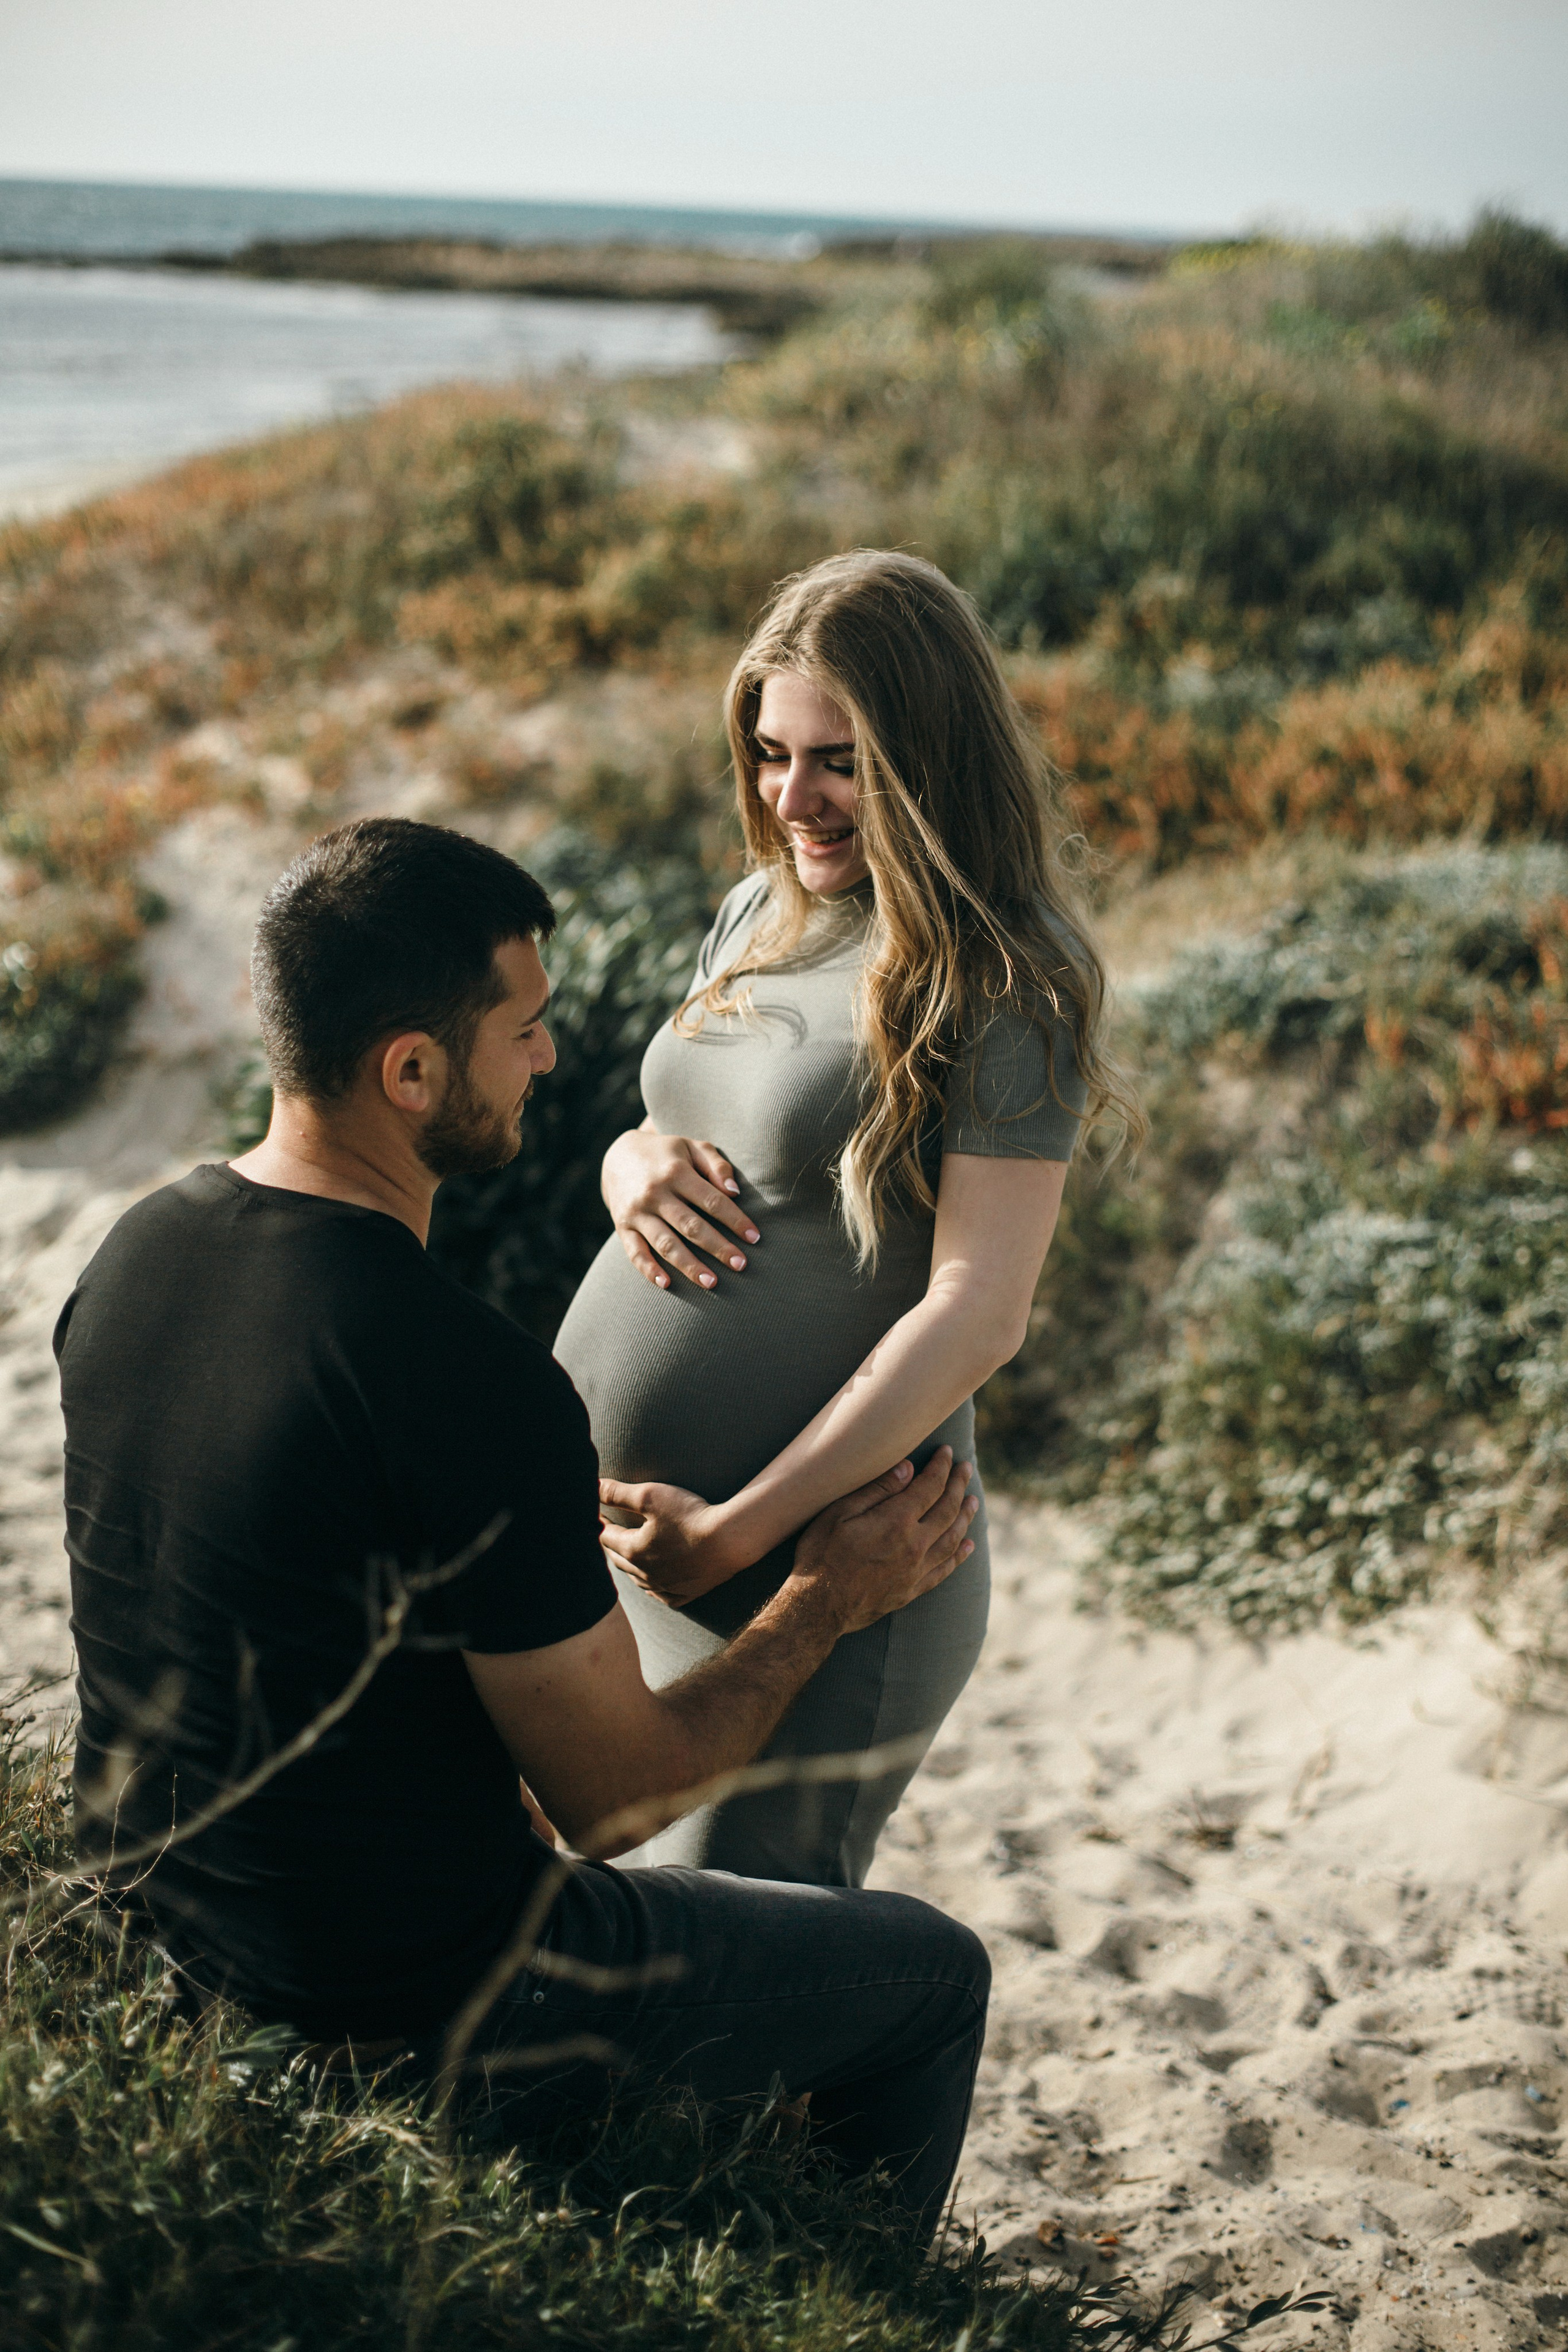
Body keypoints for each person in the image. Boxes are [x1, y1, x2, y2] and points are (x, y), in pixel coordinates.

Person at [59, 816, 987, 2247]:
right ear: (412, 1070)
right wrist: (825, 1592)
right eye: (526, 1030)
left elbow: (266, 1619)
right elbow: (620, 1802)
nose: (550, 1062)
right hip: (427, 1999)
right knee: (928, 1979)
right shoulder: (456, 1373)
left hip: (171, 1928)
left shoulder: (136, 1255)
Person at [556, 550, 1136, 1885]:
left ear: (925, 756)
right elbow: (693, 1123)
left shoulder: (1005, 977)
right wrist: (622, 1166)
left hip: (831, 1568)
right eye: (768, 753)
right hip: (641, 1563)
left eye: (838, 762)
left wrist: (742, 1530)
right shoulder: (762, 908)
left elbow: (976, 1311)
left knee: (733, 1976)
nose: (790, 799)